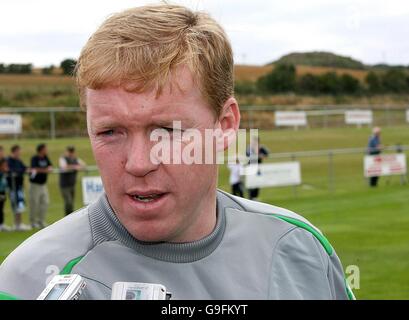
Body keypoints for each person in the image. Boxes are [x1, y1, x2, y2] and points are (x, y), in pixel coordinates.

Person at [0, 4, 352, 300]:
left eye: (167, 131)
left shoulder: (300, 247)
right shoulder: (28, 281)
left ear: (225, 125)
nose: (138, 163)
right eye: (110, 132)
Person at [6, 145, 31, 231]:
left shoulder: (18, 160)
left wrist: (27, 169)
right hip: (13, 187)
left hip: (19, 186)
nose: (19, 153)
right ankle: (16, 223)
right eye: (18, 151)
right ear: (14, 151)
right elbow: (12, 170)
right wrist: (22, 171)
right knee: (15, 204)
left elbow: (24, 168)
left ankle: (19, 223)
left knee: (20, 204)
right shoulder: (9, 160)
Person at [29, 144, 53, 229]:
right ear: (41, 150)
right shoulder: (35, 158)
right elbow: (34, 169)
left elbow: (50, 166)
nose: (46, 150)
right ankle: (33, 222)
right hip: (35, 185)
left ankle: (41, 221)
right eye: (45, 149)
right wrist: (45, 170)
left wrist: (48, 168)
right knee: (34, 203)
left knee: (45, 202)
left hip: (43, 184)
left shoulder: (45, 157)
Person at [59, 146, 86, 216]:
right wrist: (75, 167)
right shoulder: (62, 159)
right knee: (68, 202)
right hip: (64, 185)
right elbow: (64, 167)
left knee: (71, 202)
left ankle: (69, 217)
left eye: (72, 152)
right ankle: (67, 217)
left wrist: (76, 167)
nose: (71, 153)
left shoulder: (76, 159)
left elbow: (83, 165)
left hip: (72, 184)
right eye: (69, 152)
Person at [0, 158, 11, 232]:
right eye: (4, 165)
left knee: (1, 209)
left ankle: (1, 224)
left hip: (3, 192)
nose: (6, 166)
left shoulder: (4, 173)